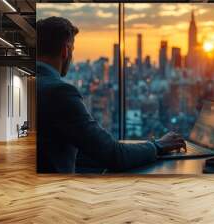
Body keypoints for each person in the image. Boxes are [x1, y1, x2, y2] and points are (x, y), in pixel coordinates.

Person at [36, 17, 186, 173]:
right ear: (65, 51)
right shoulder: (60, 93)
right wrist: (158, 145)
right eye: (73, 50)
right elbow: (114, 155)